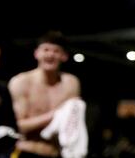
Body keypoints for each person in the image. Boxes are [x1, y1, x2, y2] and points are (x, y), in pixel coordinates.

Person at [8, 30, 82, 158]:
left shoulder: (71, 83)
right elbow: (18, 126)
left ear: (64, 56)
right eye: (46, 50)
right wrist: (55, 115)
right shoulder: (21, 82)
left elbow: (72, 125)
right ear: (36, 53)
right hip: (26, 152)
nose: (50, 55)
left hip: (57, 153)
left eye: (56, 51)